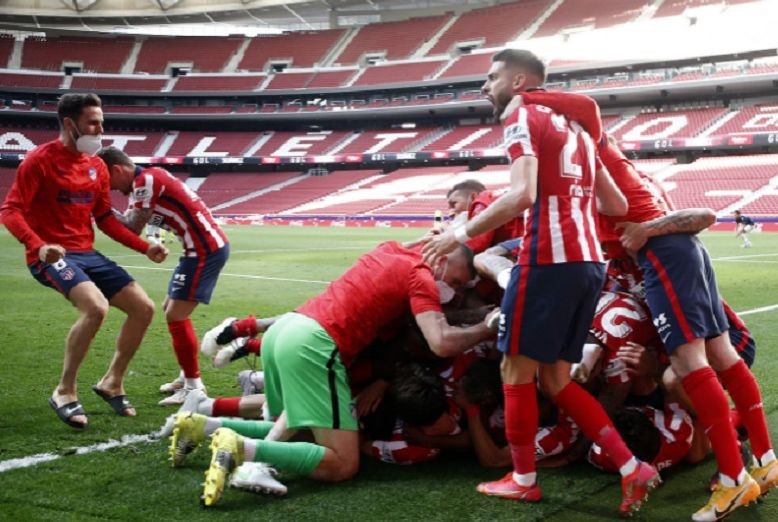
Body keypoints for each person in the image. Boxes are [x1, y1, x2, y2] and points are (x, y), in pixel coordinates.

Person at [519, 90, 778, 520]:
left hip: (666, 255)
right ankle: (766, 460)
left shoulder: (597, 154)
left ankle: (735, 479)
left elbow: (586, 109)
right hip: (684, 253)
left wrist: (527, 95)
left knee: (690, 365)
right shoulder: (616, 170)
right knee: (720, 355)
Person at [421, 49, 661, 518]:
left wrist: (458, 233)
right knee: (555, 379)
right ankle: (632, 466)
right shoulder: (579, 132)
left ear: (519, 81)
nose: (485, 87)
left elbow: (522, 194)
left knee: (515, 371)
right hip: (590, 263)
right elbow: (612, 205)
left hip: (548, 261)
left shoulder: (521, 117)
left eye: (491, 78)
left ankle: (524, 480)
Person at [164, 241, 497, 506]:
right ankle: (245, 452)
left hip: (286, 332)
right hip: (315, 345)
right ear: (440, 258)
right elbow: (440, 342)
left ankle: (203, 424)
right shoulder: (421, 276)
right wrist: (487, 327)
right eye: (454, 280)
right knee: (342, 463)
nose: (451, 290)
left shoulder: (391, 249)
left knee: (303, 431)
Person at [0, 93, 168, 429]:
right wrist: (38, 244)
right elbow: (10, 210)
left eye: (101, 122)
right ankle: (64, 390)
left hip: (86, 253)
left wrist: (143, 247)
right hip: (49, 255)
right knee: (96, 307)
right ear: (69, 123)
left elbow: (104, 217)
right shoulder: (38, 160)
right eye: (93, 122)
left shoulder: (96, 167)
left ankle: (112, 382)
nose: (100, 129)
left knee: (144, 308)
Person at [98, 147, 230, 406]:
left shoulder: (144, 180)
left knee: (175, 315)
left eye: (107, 182)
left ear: (117, 169)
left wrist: (99, 207)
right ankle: (186, 376)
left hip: (205, 249)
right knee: (170, 307)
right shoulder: (148, 179)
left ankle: (194, 388)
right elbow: (136, 219)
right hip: (198, 248)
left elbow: (131, 226)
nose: (110, 189)